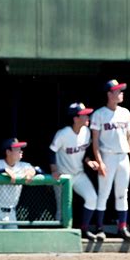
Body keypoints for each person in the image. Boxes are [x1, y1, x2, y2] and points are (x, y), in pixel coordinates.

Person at [90, 80, 130, 241]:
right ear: (109, 94)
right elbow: (95, 141)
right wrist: (100, 161)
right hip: (107, 156)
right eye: (117, 91)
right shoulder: (99, 113)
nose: (121, 93)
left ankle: (122, 227)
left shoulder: (125, 112)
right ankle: (99, 228)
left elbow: (129, 136)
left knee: (122, 194)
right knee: (103, 193)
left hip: (123, 156)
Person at [49, 103, 100, 240]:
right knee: (62, 208)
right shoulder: (63, 134)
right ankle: (59, 236)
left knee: (92, 198)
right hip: (64, 176)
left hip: (78, 174)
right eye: (84, 115)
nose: (87, 117)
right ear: (75, 118)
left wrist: (89, 161)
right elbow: (52, 151)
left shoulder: (86, 132)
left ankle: (84, 229)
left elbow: (84, 152)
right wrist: (54, 169)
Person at [0, 138, 36, 229]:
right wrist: (4, 171)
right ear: (8, 152)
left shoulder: (24, 165)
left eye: (20, 149)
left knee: (13, 241)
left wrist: (31, 172)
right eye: (16, 149)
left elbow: (38, 170)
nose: (20, 151)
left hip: (11, 212)